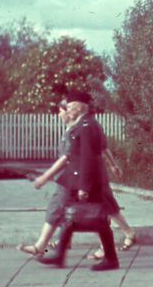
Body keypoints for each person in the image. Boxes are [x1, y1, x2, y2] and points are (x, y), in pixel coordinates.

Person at [38, 91, 120, 271]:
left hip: (87, 182)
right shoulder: (86, 124)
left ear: (78, 107)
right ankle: (60, 256)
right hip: (81, 180)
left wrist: (84, 186)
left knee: (99, 220)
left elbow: (88, 158)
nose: (68, 111)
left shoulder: (86, 125)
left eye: (69, 107)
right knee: (70, 217)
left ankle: (111, 259)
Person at [17, 99, 76, 258]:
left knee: (60, 211)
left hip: (69, 181)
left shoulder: (72, 133)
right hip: (65, 181)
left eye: (60, 111)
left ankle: (41, 247)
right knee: (61, 212)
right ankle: (45, 245)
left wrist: (44, 177)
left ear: (69, 112)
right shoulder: (70, 130)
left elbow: (65, 158)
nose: (58, 114)